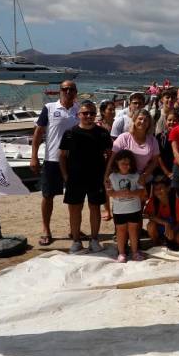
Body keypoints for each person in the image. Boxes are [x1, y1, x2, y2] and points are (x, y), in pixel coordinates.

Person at [58, 101, 113, 254]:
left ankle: (94, 240)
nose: (88, 116)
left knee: (95, 207)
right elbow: (62, 156)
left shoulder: (102, 133)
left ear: (95, 115)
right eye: (85, 113)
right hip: (75, 178)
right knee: (75, 209)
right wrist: (65, 176)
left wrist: (106, 174)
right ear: (78, 115)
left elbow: (110, 155)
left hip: (96, 177)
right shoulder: (70, 133)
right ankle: (76, 241)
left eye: (92, 113)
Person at [31, 80, 80, 246]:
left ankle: (75, 229)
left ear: (75, 92)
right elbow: (38, 133)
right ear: (60, 91)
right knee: (48, 196)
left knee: (75, 197)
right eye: (65, 89)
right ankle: (46, 229)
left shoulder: (79, 110)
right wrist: (34, 156)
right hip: (52, 159)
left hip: (74, 161)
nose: (68, 92)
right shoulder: (50, 108)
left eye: (71, 89)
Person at [105, 150, 147, 262]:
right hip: (119, 211)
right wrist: (117, 194)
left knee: (133, 231)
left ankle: (135, 252)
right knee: (120, 231)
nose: (126, 166)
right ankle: (122, 253)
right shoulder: (112, 177)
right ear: (117, 163)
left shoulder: (136, 175)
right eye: (123, 163)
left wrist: (132, 193)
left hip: (134, 209)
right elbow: (109, 192)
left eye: (128, 164)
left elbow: (141, 191)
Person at [110, 109, 160, 183]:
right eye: (140, 119)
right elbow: (112, 159)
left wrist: (144, 176)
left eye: (146, 120)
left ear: (149, 123)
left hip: (142, 179)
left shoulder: (153, 140)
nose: (142, 122)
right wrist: (106, 176)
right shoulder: (123, 138)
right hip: (122, 179)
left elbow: (155, 161)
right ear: (134, 120)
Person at [144, 175, 179, 248]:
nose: (158, 191)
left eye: (161, 188)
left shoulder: (176, 201)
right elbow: (149, 216)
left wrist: (173, 231)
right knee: (150, 226)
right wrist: (165, 223)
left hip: (173, 226)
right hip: (161, 226)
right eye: (155, 189)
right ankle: (156, 243)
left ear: (168, 188)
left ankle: (171, 243)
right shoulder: (153, 200)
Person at [156, 110, 179, 179]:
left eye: (175, 120)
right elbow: (158, 157)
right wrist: (167, 173)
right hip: (162, 172)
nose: (172, 122)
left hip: (178, 171)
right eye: (169, 120)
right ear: (166, 121)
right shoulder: (160, 137)